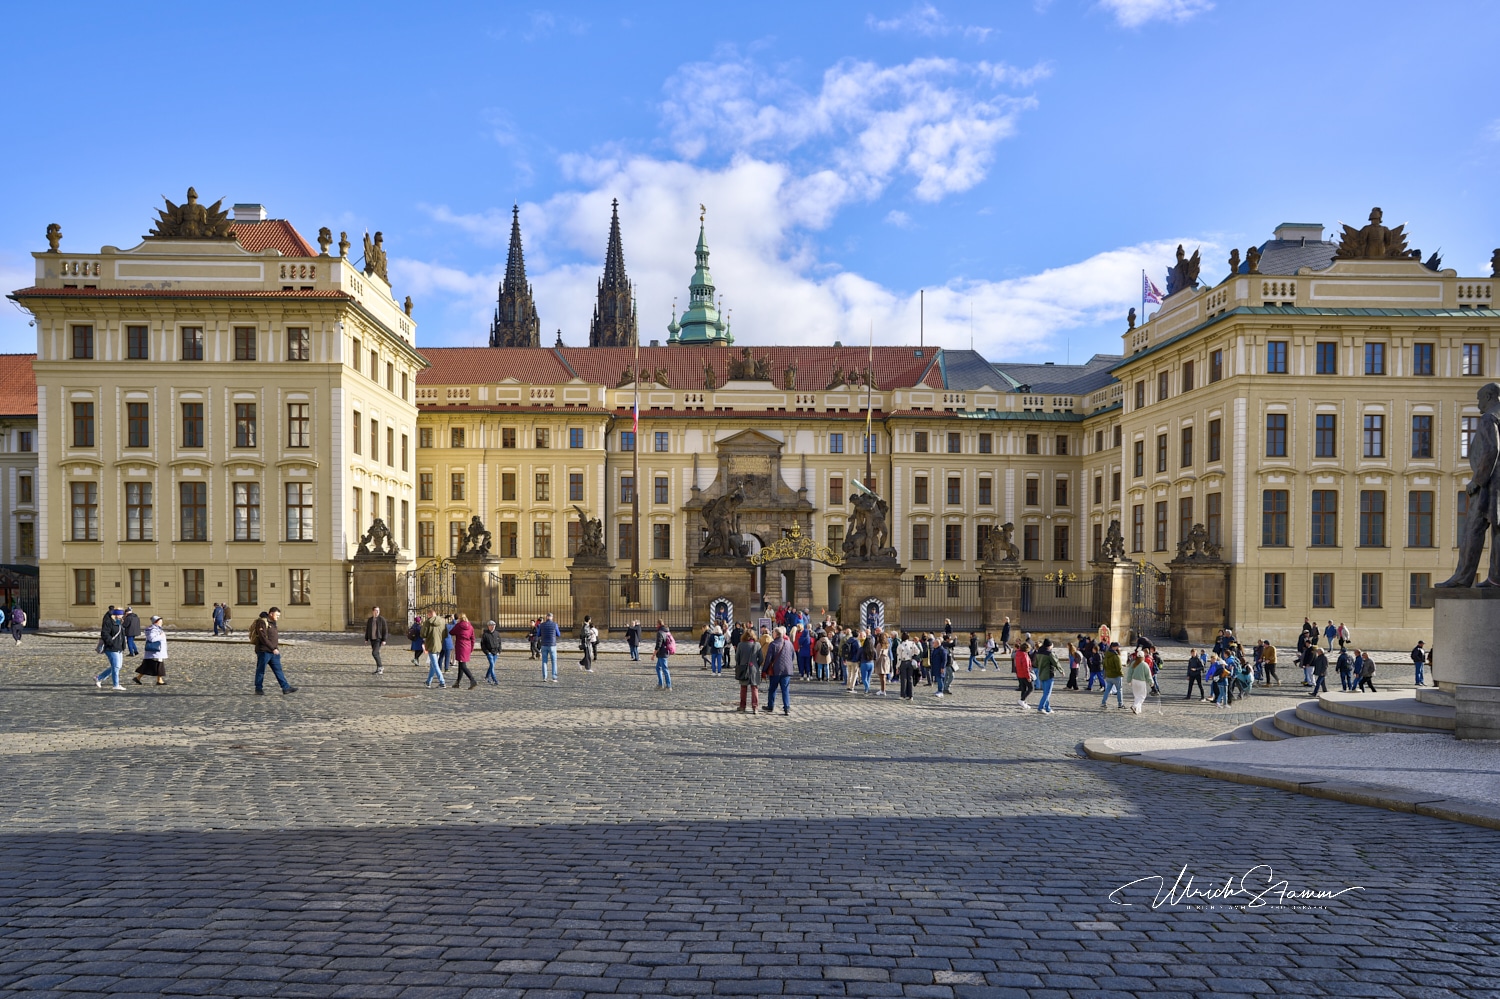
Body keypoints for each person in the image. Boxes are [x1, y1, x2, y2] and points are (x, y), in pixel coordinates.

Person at [252, 607, 295, 695]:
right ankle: (258, 688)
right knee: (261, 670)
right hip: (264, 651)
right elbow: (262, 637)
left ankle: (285, 688)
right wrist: (273, 648)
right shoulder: (262, 622)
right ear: (271, 614)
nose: (278, 617)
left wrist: (275, 648)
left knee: (278, 670)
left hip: (273, 652)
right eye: (277, 615)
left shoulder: (273, 622)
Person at [762, 626, 795, 715]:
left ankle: (770, 706)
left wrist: (764, 670)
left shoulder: (773, 644)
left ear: (776, 634)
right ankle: (787, 708)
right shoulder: (789, 643)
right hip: (787, 670)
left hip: (775, 670)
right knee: (785, 690)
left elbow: (768, 659)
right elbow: (792, 656)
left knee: (772, 689)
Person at [94, 607, 128, 690]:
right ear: (116, 615)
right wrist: (111, 643)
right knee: (116, 667)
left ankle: (99, 677)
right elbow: (104, 634)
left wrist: (123, 645)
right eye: (121, 614)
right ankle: (116, 685)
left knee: (117, 666)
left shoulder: (120, 622)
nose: (122, 616)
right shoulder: (108, 622)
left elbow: (122, 636)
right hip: (111, 648)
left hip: (119, 648)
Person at [134, 615, 168, 685]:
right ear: (156, 622)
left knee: (149, 665)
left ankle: (138, 677)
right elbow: (152, 639)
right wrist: (161, 636)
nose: (161, 622)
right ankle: (159, 680)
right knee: (158, 665)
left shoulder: (157, 629)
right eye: (160, 621)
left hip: (157, 651)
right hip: (155, 651)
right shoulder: (152, 629)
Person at [734, 627, 762, 712]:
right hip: (754, 668)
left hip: (743, 668)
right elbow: (761, 658)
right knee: (754, 688)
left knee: (743, 688)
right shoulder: (757, 645)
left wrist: (740, 664)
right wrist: (757, 665)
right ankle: (755, 707)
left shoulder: (741, 645)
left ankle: (742, 706)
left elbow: (736, 657)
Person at [421, 610, 447, 688]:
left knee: (435, 664)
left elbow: (423, 634)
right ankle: (428, 682)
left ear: (429, 615)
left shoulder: (427, 622)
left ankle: (442, 682)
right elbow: (445, 634)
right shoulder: (442, 621)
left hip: (431, 645)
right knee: (433, 664)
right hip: (439, 645)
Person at [1034, 639, 1059, 714]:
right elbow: (1056, 663)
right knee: (1047, 693)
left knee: (1045, 692)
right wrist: (1061, 670)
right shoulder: (1050, 653)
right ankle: (1040, 708)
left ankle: (1048, 708)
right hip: (1049, 674)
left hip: (1041, 674)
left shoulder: (1039, 652)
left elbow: (1036, 663)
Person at [1099, 642, 1124, 709]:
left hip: (1108, 675)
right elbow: (1119, 667)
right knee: (1119, 690)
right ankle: (1120, 704)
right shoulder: (1116, 656)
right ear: (1115, 647)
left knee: (1107, 690)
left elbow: (1104, 665)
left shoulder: (1106, 655)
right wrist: (1121, 674)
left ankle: (1103, 702)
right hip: (1116, 675)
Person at [537, 611, 561, 682]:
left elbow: (538, 634)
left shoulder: (542, 625)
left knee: (544, 661)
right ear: (552, 617)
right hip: (552, 645)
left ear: (546, 617)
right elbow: (558, 634)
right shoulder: (555, 624)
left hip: (544, 644)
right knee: (554, 661)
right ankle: (554, 677)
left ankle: (545, 677)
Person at [896, 631, 921, 700]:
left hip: (903, 662)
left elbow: (899, 657)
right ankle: (911, 695)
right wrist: (913, 656)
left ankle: (903, 694)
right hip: (910, 662)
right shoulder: (912, 643)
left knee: (903, 679)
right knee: (910, 678)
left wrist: (897, 667)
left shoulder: (900, 646)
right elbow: (918, 651)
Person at [364, 605, 388, 675]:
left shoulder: (382, 619)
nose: (377, 612)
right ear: (373, 611)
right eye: (376, 611)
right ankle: (379, 669)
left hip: (378, 639)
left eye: (378, 611)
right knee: (376, 653)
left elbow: (385, 630)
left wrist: (384, 640)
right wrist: (366, 638)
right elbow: (367, 629)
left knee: (374, 653)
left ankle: (380, 667)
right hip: (372, 639)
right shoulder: (370, 620)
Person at [653, 620, 675, 690]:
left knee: (665, 669)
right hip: (665, 652)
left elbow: (658, 645)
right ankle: (660, 684)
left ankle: (668, 685)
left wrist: (654, 654)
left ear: (659, 624)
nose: (656, 626)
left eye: (656, 624)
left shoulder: (660, 632)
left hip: (662, 653)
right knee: (658, 668)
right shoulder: (667, 631)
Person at [1014, 641, 1034, 710]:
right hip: (1024, 674)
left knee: (1023, 689)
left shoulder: (1018, 653)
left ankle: (1023, 703)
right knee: (1031, 688)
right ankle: (1022, 700)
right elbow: (1026, 668)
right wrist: (1028, 677)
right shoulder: (1024, 655)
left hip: (1019, 674)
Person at [481, 620, 502, 685]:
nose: (492, 627)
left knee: (491, 665)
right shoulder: (485, 634)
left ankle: (487, 677)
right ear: (488, 626)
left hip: (495, 652)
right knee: (492, 665)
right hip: (489, 652)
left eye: (493, 626)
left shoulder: (497, 633)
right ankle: (494, 679)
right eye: (491, 626)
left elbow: (499, 642)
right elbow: (483, 644)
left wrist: (499, 651)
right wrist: (487, 652)